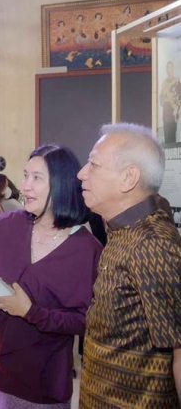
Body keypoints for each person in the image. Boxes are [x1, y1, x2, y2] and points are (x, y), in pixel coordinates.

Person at [0, 144, 102, 407]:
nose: (25, 186)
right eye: (25, 176)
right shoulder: (6, 224)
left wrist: (30, 311)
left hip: (42, 382)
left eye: (37, 178)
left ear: (61, 184)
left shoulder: (86, 249)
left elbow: (85, 321)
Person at [77, 123, 181, 408]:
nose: (81, 173)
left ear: (128, 178)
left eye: (93, 164)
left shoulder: (152, 244)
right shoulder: (122, 229)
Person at [160, 60, 181, 143]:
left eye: (171, 67)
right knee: (167, 139)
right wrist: (163, 99)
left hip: (173, 114)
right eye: (168, 67)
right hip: (165, 114)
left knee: (173, 139)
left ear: (173, 69)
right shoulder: (164, 83)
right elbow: (161, 100)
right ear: (166, 69)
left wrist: (177, 109)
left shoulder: (177, 82)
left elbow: (180, 98)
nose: (169, 69)